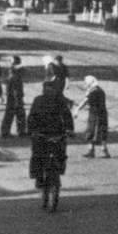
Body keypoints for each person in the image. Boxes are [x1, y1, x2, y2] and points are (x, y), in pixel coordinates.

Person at [26, 81, 74, 212]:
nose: (50, 92)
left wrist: (69, 129)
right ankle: (38, 177)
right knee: (37, 156)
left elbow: (67, 116)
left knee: (61, 155)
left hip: (57, 135)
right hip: (41, 134)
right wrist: (31, 130)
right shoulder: (38, 101)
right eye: (48, 89)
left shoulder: (60, 101)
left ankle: (58, 172)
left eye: (52, 89)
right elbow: (31, 117)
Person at [75, 76, 109, 158]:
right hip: (101, 113)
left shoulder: (93, 91)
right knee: (99, 131)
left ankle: (96, 151)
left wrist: (77, 109)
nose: (85, 84)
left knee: (93, 131)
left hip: (96, 114)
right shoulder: (99, 90)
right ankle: (100, 151)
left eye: (86, 83)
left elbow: (86, 101)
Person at [0, 56, 27, 138]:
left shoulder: (12, 72)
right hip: (15, 98)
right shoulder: (15, 75)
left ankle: (6, 132)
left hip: (12, 98)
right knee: (19, 115)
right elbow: (15, 89)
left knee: (10, 115)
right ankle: (20, 131)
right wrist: (18, 101)